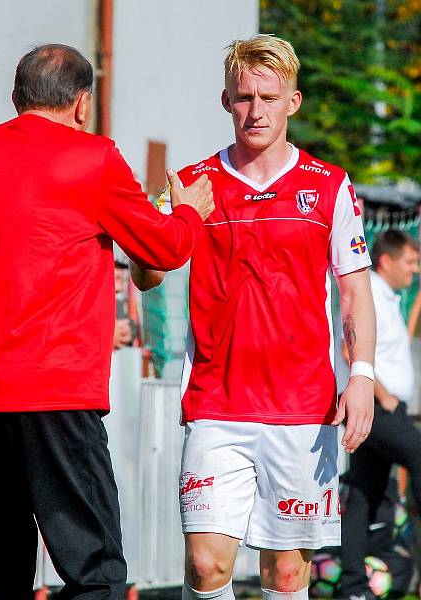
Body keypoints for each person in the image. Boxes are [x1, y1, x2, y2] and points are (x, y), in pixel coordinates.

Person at [0, 43, 214, 600]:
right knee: (92, 568)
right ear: (82, 103)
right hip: (59, 390)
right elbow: (162, 249)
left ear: (16, 98)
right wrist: (190, 211)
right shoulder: (93, 158)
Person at [174, 35, 376, 600]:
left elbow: (355, 291)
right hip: (217, 403)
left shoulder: (329, 185)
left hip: (302, 409)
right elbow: (145, 272)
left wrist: (360, 377)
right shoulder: (194, 184)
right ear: (224, 100)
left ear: (294, 101)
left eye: (268, 96)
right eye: (243, 97)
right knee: (206, 566)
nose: (255, 110)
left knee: (286, 575)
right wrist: (172, 226)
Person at [339, 230, 420, 600]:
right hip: (373, 403)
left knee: (362, 491)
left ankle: (354, 587)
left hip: (386, 405)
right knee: (418, 454)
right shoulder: (368, 290)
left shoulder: (391, 297)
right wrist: (385, 398)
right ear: (386, 261)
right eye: (410, 262)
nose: (415, 270)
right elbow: (348, 346)